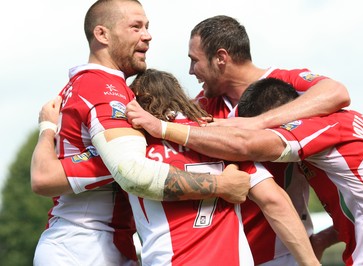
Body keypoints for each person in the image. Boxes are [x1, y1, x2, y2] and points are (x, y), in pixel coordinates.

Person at [30, 2, 249, 265]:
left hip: (102, 245)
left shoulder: (89, 86)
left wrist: (47, 129)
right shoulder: (102, 88)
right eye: (136, 27)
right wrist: (222, 185)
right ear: (102, 35)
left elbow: (46, 176)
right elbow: (133, 173)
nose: (147, 35)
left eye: (147, 27)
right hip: (83, 247)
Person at [35, 69, 320, 265]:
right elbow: (275, 201)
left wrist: (48, 128)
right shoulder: (219, 142)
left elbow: (46, 177)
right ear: (180, 96)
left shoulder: (131, 150)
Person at [129, 15, 350, 265]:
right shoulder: (200, 109)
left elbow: (337, 93)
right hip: (232, 253)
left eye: (195, 61)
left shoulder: (282, 81)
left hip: (285, 250)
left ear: (221, 58)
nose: (190, 71)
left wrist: (258, 123)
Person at [130, 77, 363, 265]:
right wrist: (321, 240)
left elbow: (245, 144)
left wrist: (163, 129)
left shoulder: (321, 128)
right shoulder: (357, 121)